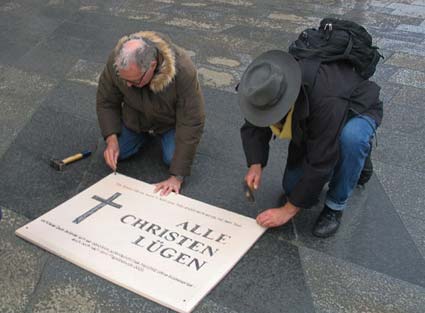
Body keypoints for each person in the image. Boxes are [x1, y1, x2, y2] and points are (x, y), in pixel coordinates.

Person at [238, 50, 383, 237]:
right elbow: (255, 123)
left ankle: (335, 205)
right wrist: (255, 164)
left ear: (285, 101)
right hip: (317, 113)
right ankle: (352, 157)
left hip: (356, 107)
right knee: (292, 188)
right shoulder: (267, 81)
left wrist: (288, 210)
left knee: (350, 139)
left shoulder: (324, 100)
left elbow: (321, 160)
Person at [96, 31, 205, 196]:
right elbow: (106, 101)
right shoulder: (117, 61)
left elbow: (192, 120)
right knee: (120, 152)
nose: (128, 85)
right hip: (136, 118)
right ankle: (143, 135)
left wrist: (177, 176)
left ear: (152, 66)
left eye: (134, 81)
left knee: (172, 160)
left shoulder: (183, 70)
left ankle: (163, 136)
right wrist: (111, 139)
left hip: (169, 123)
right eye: (123, 79)